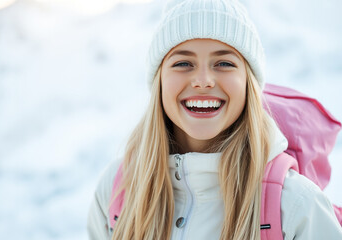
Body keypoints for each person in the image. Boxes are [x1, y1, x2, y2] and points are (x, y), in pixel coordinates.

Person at [87, 0, 342, 239]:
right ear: (160, 80)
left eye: (224, 63)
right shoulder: (118, 189)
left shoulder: (296, 207)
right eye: (183, 63)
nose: (203, 80)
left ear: (247, 83)